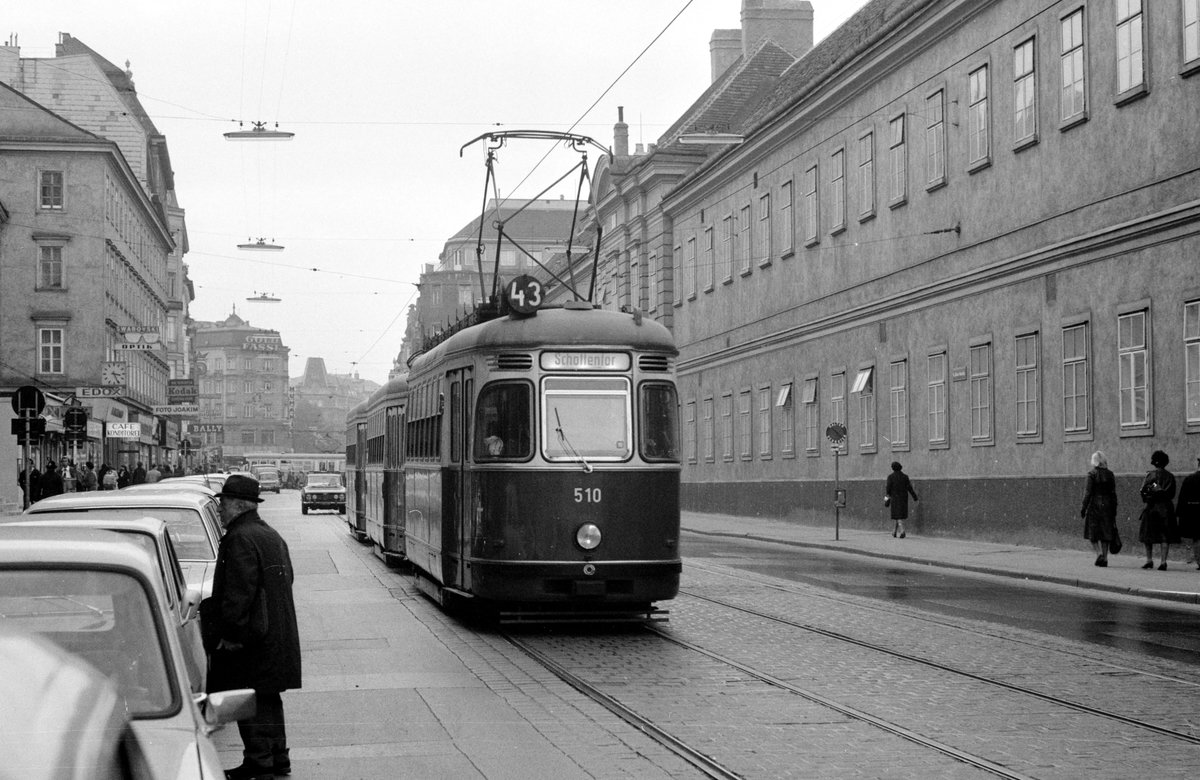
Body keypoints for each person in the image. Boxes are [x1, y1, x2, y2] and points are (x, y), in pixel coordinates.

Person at [203, 474, 301, 780]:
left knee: (249, 697)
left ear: (236, 505)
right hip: (275, 634)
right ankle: (277, 759)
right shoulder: (269, 534)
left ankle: (259, 762)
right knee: (269, 698)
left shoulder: (239, 538)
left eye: (222, 505)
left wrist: (230, 636)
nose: (219, 511)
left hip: (252, 638)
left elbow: (238, 594)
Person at [1137, 450, 1179, 570]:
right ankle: (1163, 561)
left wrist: (1147, 498)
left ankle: (1149, 560)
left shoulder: (1150, 475)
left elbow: (1143, 491)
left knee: (1147, 534)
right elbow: (1172, 494)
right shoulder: (1170, 476)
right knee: (1165, 535)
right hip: (1166, 508)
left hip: (1151, 507)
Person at [1081, 451, 1118, 567]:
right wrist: (1114, 508)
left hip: (1095, 505)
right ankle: (1105, 558)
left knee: (1093, 532)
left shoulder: (1091, 474)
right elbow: (1113, 493)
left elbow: (1087, 493)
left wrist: (1083, 507)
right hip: (1107, 505)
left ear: (1094, 462)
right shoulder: (1110, 474)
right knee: (1106, 532)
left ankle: (1099, 554)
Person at [1176, 455, 1200, 571]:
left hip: (1193, 512)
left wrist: (1180, 514)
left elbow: (1182, 499)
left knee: (1197, 538)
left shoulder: (1190, 479)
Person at [885, 461, 918, 539]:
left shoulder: (891, 477)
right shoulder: (905, 477)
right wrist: (915, 497)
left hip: (895, 498)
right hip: (903, 498)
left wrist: (886, 498)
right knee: (898, 514)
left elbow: (888, 489)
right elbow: (910, 488)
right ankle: (894, 532)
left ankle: (902, 531)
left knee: (898, 516)